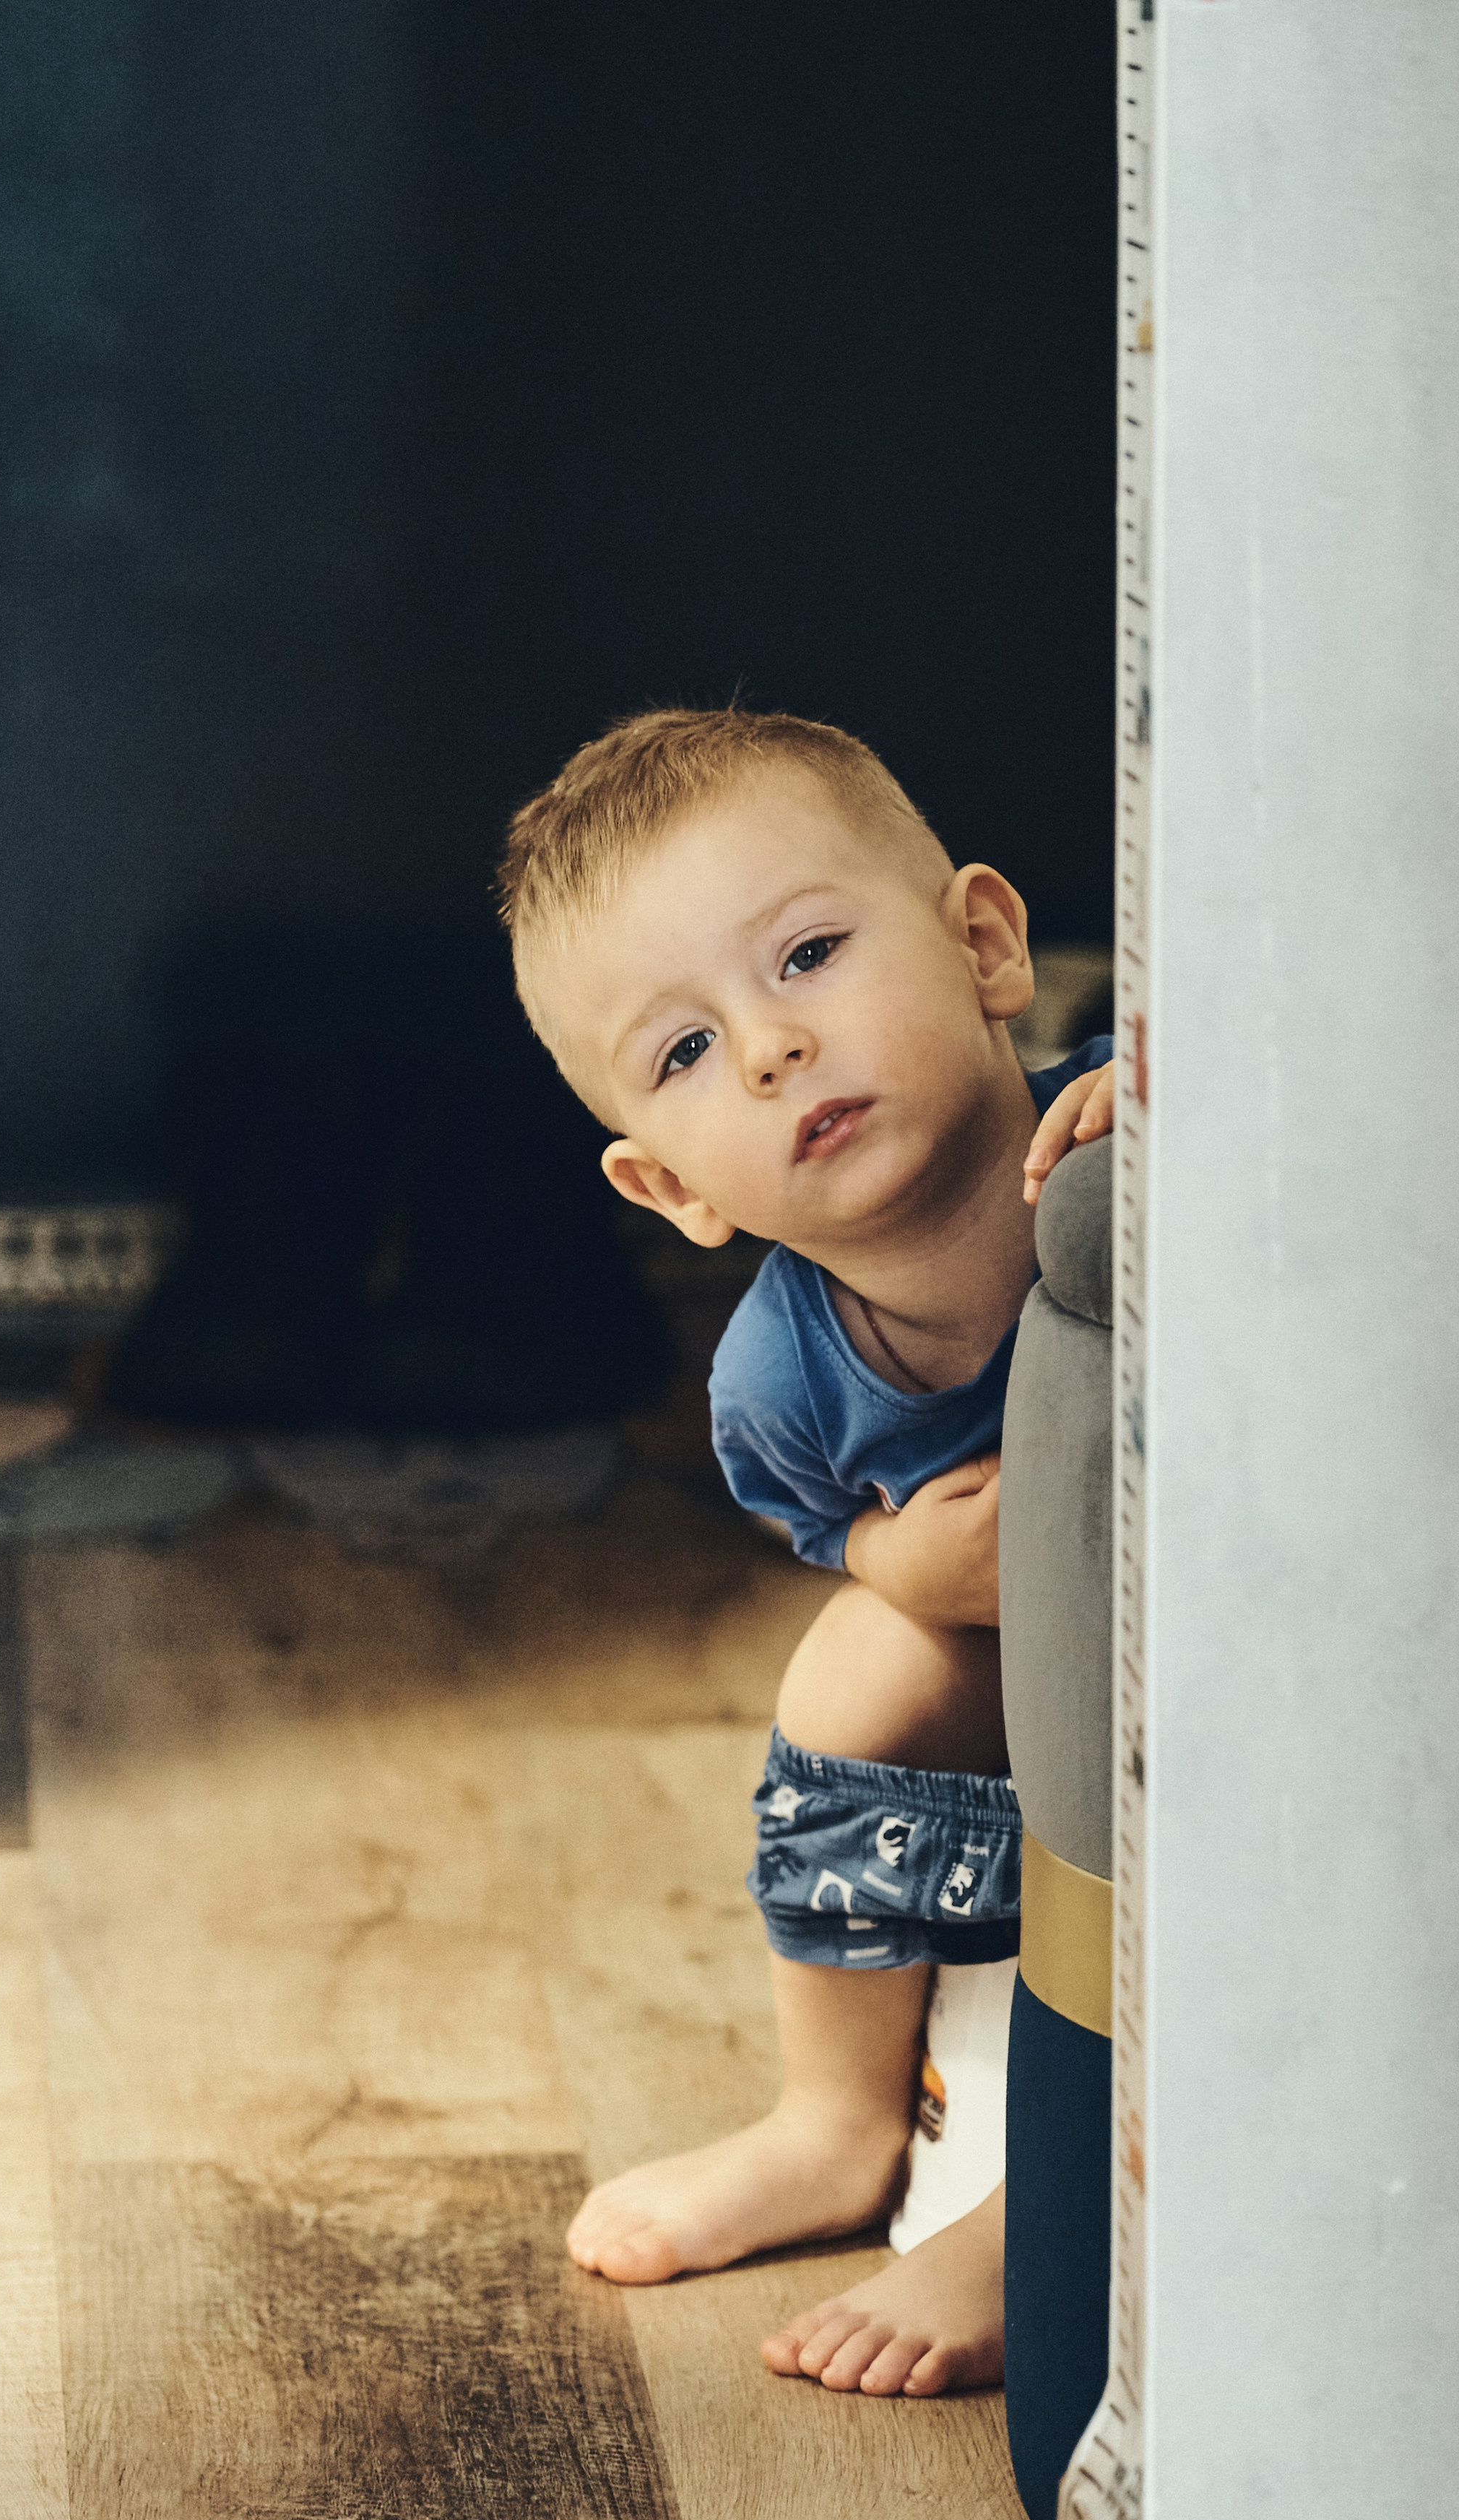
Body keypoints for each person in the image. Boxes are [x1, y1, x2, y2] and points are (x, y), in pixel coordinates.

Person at [498, 708, 1113, 2396]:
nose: (768, 1048)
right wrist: (908, 1573)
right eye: (683, 1053)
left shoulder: (1124, 1150)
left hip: (1207, 1677)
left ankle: (1041, 2195)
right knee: (852, 1661)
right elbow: (837, 1535)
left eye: (810, 955)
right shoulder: (775, 1381)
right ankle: (834, 2119)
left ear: (983, 944)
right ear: (669, 1186)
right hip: (1023, 1694)